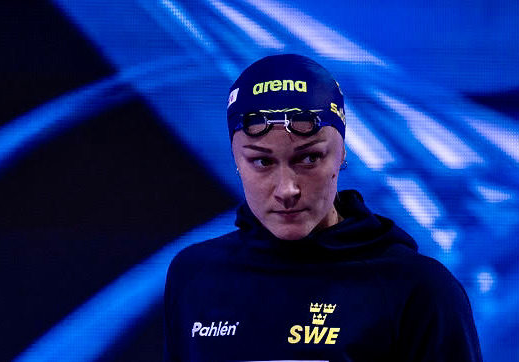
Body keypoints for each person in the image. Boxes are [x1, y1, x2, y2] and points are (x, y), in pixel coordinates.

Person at [163, 54, 482, 361]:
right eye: (261, 161)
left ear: (342, 152)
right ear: (235, 158)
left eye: (309, 158)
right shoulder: (194, 275)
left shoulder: (419, 290)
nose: (287, 190)